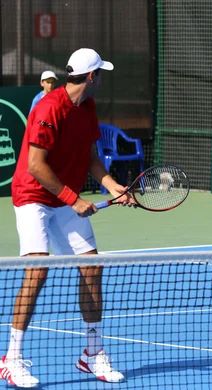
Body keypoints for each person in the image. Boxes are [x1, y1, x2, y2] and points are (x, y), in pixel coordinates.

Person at [0, 48, 132, 388]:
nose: (102, 78)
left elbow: (91, 159)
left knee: (92, 267)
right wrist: (73, 199)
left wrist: (113, 186)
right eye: (100, 73)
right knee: (38, 270)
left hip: (63, 200)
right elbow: (35, 165)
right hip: (33, 197)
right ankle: (10, 358)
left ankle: (92, 353)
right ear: (91, 77)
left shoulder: (87, 107)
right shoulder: (48, 108)